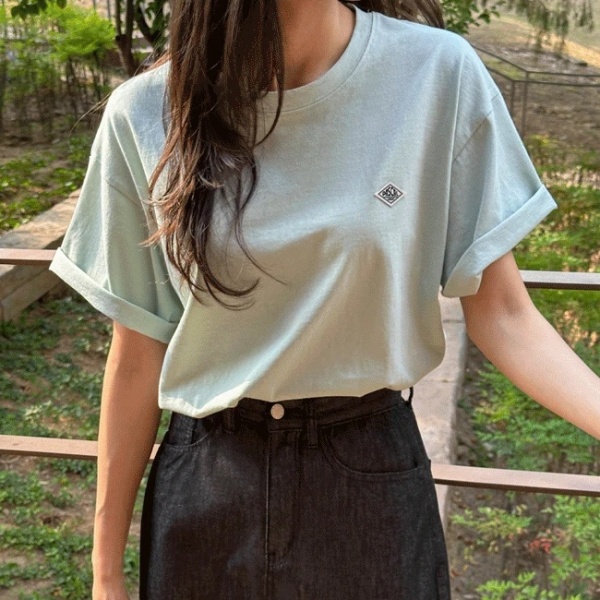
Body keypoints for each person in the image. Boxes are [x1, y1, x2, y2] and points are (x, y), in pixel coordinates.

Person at [49, 0, 600, 598]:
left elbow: (506, 315)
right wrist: (106, 575)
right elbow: (138, 351)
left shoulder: (436, 73)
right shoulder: (146, 111)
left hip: (370, 481)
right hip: (208, 486)